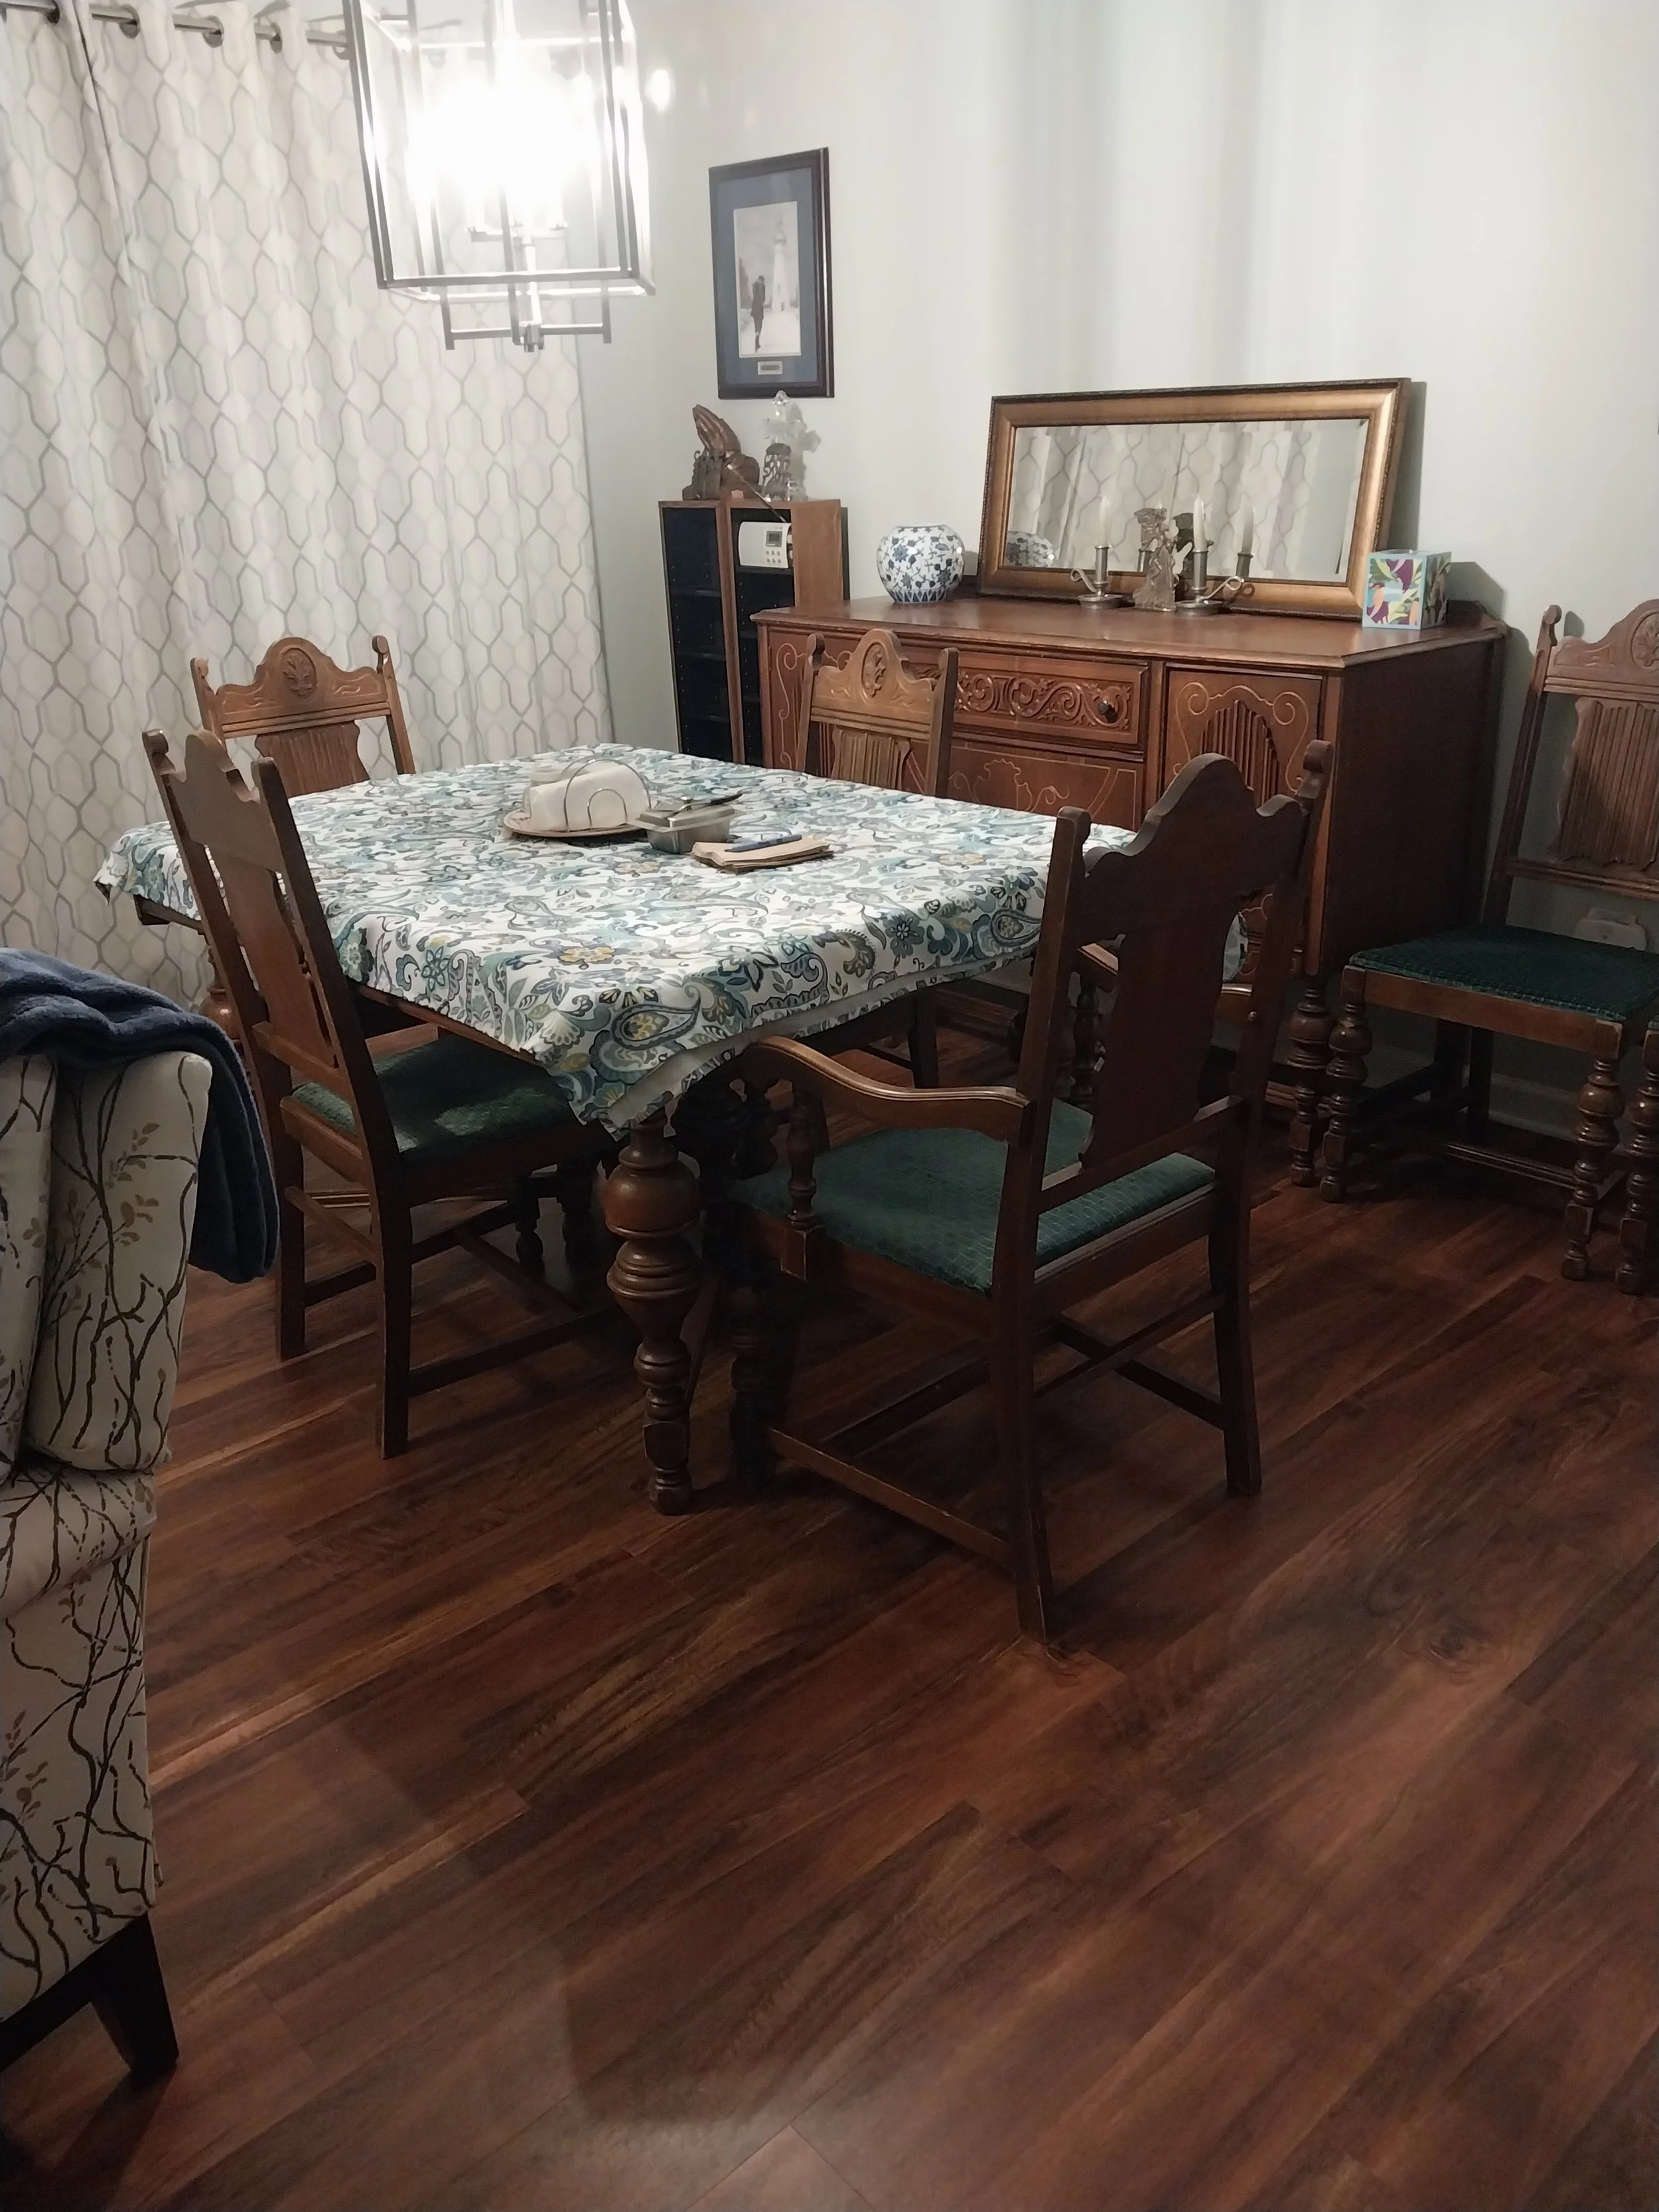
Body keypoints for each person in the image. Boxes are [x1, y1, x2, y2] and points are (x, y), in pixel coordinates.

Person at [749, 273, 766, 349]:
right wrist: (762, 302)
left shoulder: (754, 285)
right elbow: (762, 297)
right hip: (759, 307)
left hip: (754, 307)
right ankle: (757, 342)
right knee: (759, 325)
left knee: (756, 324)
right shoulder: (762, 286)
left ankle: (757, 342)